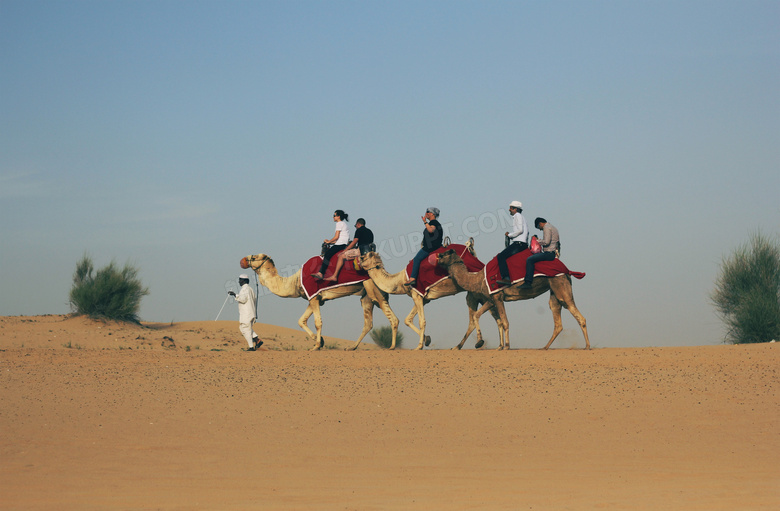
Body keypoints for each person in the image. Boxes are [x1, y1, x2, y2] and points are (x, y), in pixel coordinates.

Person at [324, 218, 374, 282]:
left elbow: (354, 242)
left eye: (355, 226)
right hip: (370, 252)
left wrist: (345, 250)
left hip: (360, 251)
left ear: (358, 224)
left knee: (341, 256)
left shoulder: (359, 230)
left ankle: (334, 276)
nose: (355, 227)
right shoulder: (370, 231)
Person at [405, 207, 443, 286]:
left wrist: (425, 222)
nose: (426, 213)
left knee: (417, 259)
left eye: (428, 212)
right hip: (430, 246)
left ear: (432, 214)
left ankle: (413, 278)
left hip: (430, 248)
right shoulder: (433, 223)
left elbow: (430, 230)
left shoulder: (434, 223)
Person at [520, 217, 560, 289]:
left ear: (540, 223)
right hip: (553, 252)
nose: (540, 229)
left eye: (539, 227)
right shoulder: (553, 227)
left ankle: (528, 282)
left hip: (549, 253)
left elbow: (546, 242)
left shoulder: (546, 227)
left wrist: (537, 240)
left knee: (529, 260)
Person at [496, 200, 529, 286]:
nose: (509, 210)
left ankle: (506, 278)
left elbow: (520, 230)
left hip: (519, 243)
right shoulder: (521, 217)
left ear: (515, 209)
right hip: (521, 243)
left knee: (501, 256)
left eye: (511, 208)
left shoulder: (517, 216)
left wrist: (509, 235)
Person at [312, 209, 350, 280]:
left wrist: (329, 241)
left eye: (334, 215)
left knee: (327, 254)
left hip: (340, 244)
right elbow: (340, 239)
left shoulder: (339, 224)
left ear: (338, 216)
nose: (333, 217)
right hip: (342, 244)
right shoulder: (344, 224)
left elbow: (336, 237)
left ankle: (321, 273)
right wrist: (330, 242)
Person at [228, 274, 261, 351]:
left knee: (245, 329)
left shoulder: (245, 289)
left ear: (244, 281)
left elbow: (243, 299)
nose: (239, 281)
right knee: (243, 328)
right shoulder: (250, 289)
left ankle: (251, 347)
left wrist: (234, 294)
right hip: (251, 312)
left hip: (247, 313)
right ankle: (257, 340)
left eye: (240, 280)